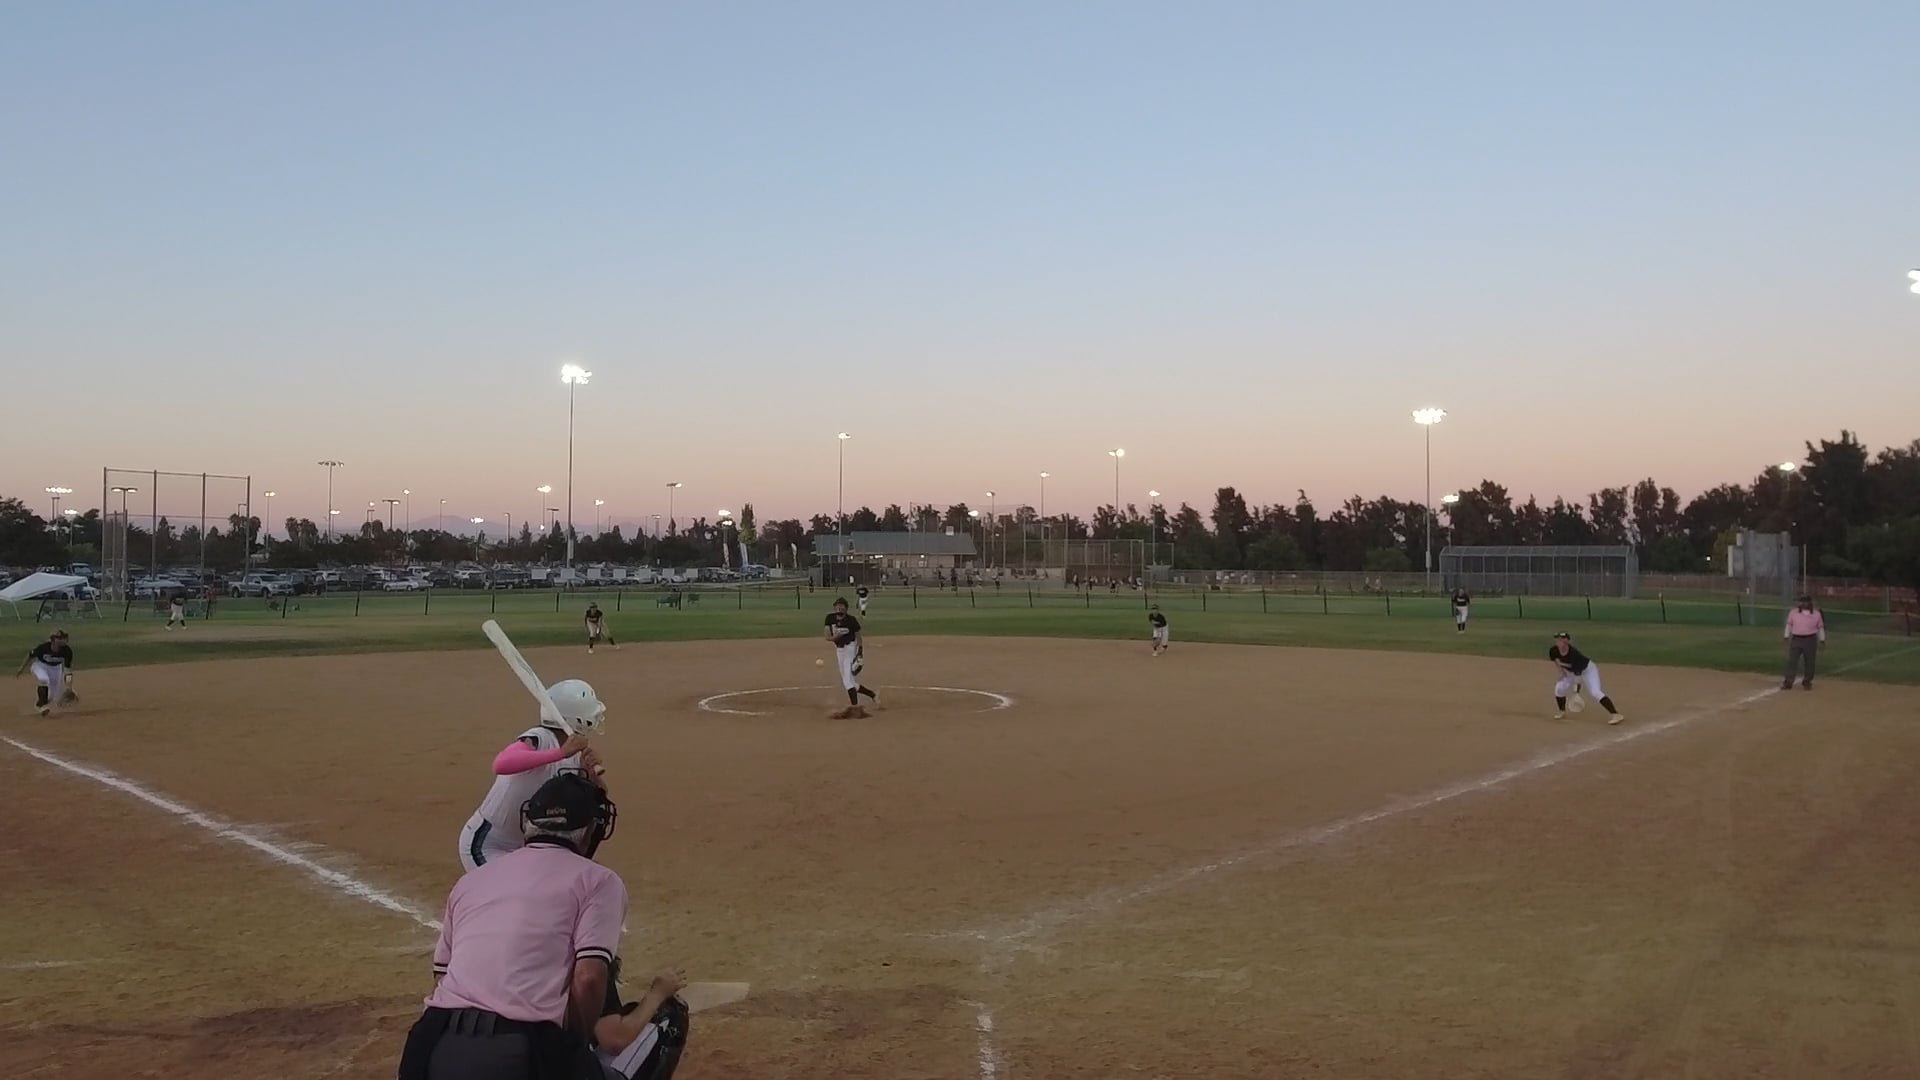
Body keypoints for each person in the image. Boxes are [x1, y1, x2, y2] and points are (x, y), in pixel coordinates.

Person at [399, 773, 659, 1080]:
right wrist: (571, 1047)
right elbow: (588, 977)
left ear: (528, 823)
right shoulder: (598, 881)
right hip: (514, 1051)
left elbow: (442, 975)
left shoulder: (471, 881)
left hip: (430, 1045)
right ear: (591, 829)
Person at [459, 680, 609, 872]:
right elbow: (502, 763)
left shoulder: (576, 754)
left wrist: (592, 775)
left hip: (529, 850)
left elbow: (599, 798)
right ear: (578, 717)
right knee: (507, 890)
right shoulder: (540, 737)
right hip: (488, 843)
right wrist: (561, 753)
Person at [594, 958, 692, 1080]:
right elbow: (614, 1041)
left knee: (630, 1014)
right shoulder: (593, 964)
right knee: (669, 1016)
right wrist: (657, 993)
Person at [1549, 632, 1624, 725]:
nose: (1559, 641)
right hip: (1570, 672)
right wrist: (1561, 672)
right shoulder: (1553, 650)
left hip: (1588, 670)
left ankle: (1616, 715)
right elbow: (1556, 660)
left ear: (1567, 641)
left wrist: (1576, 692)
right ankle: (1562, 711)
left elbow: (1578, 677)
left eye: (1561, 639)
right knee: (1559, 689)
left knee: (1595, 692)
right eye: (1557, 639)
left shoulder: (1573, 654)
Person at [823, 598, 877, 719]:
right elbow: (827, 636)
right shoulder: (830, 618)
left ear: (846, 609)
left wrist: (860, 652)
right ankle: (872, 694)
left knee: (847, 680)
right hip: (839, 650)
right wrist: (834, 638)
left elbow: (858, 636)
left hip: (850, 648)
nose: (839, 609)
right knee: (849, 681)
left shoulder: (851, 620)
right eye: (837, 607)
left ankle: (855, 708)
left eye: (842, 607)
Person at [16, 629, 76, 717]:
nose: (63, 640)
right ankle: (42, 707)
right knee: (44, 679)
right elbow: (30, 655)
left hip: (56, 669)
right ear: (53, 640)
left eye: (63, 638)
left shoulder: (67, 651)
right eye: (60, 638)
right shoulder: (44, 648)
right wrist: (21, 669)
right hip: (39, 666)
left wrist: (69, 687)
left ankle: (39, 704)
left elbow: (68, 671)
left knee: (51, 697)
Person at [1782, 594, 1826, 690]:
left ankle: (1807, 681)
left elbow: (1820, 628)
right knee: (1792, 661)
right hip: (1796, 639)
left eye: (1805, 601)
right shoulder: (1793, 613)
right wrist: (1786, 636)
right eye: (1801, 601)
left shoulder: (1816, 614)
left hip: (1810, 639)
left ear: (1809, 602)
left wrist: (1822, 639)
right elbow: (1789, 625)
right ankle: (1788, 681)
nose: (1803, 603)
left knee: (1810, 661)